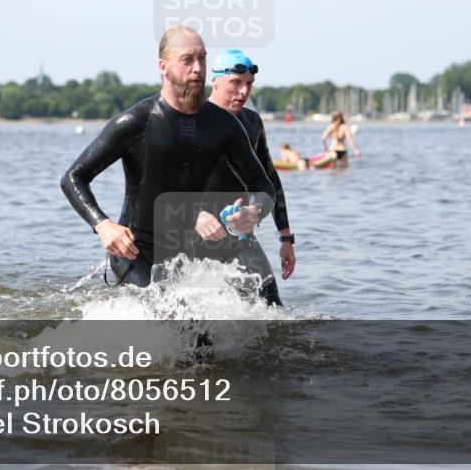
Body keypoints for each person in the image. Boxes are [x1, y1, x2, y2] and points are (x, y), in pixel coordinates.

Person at [60, 26, 276, 288]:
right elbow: (74, 177)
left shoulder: (224, 126)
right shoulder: (137, 121)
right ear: (163, 67)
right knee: (172, 320)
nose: (198, 68)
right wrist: (103, 225)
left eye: (202, 58)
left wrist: (254, 211)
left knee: (266, 311)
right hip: (136, 254)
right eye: (187, 59)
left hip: (188, 254)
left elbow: (263, 185)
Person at [196, 49, 296, 306]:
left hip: (238, 233)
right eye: (236, 83)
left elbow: (270, 180)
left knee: (271, 304)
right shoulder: (193, 119)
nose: (244, 91)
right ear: (214, 81)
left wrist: (285, 238)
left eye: (249, 84)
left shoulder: (251, 122)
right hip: (193, 230)